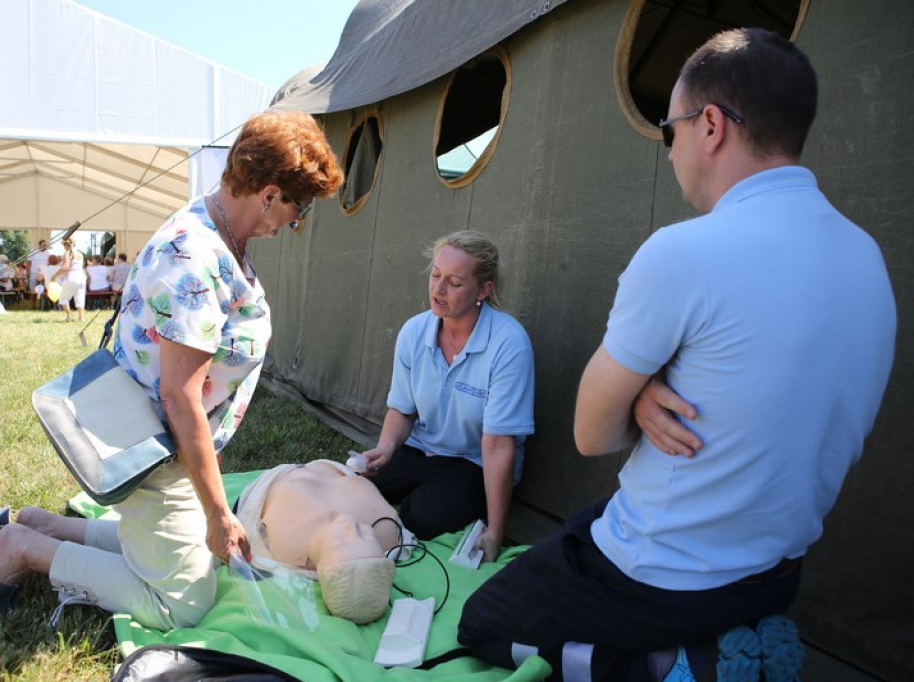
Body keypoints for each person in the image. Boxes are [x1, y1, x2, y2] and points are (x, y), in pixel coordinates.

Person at [457, 28, 896, 682]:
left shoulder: (684, 253)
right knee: (580, 532)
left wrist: (628, 394)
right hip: (775, 574)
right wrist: (643, 391)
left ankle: (683, 664)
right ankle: (727, 639)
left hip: (661, 575)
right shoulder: (868, 259)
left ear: (711, 125)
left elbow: (591, 434)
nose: (670, 151)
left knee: (483, 621)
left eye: (672, 129)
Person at [0, 111, 343, 629]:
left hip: (165, 444)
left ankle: (42, 525)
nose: (295, 224)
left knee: (188, 554)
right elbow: (179, 396)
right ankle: (23, 548)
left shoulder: (214, 228)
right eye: (299, 210)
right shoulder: (197, 259)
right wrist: (215, 512)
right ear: (270, 194)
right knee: (184, 604)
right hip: (158, 448)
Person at [361, 231, 535, 559]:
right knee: (352, 488)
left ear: (484, 289)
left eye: (454, 282)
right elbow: (402, 410)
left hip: (472, 462)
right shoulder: (414, 331)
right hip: (419, 449)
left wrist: (496, 532)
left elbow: (498, 444)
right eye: (436, 275)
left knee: (421, 519)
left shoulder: (509, 343)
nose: (438, 289)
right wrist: (384, 450)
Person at [234, 459, 410, 624]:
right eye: (367, 535)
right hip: (331, 467)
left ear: (320, 570)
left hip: (286, 474)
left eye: (341, 542)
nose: (351, 525)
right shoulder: (387, 531)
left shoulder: (289, 542)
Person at [51, 238, 86, 321]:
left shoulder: (67, 253)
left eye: (64, 245)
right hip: (81, 278)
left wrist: (55, 276)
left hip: (71, 278)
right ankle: (81, 317)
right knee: (79, 298)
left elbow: (65, 267)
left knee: (63, 298)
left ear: (67, 245)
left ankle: (69, 316)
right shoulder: (80, 254)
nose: (63, 247)